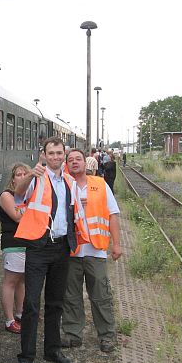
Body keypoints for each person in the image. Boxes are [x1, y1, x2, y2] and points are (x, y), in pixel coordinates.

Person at [10, 136, 78, 363]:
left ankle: (52, 349)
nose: (56, 157)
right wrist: (30, 174)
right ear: (44, 155)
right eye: (51, 153)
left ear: (64, 154)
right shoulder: (37, 177)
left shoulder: (70, 181)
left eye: (59, 153)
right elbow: (18, 195)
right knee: (30, 304)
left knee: (55, 302)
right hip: (39, 248)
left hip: (61, 248)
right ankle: (26, 357)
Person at [61, 149, 122, 352]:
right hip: (72, 250)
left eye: (78, 159)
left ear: (86, 163)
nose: (75, 162)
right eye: (71, 160)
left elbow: (113, 215)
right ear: (66, 165)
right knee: (71, 295)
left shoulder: (100, 184)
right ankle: (72, 334)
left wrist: (117, 244)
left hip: (95, 250)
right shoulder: (63, 186)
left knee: (100, 295)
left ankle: (107, 336)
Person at [0, 163, 30, 334]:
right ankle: (9, 320)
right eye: (19, 174)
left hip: (27, 243)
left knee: (22, 280)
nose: (22, 176)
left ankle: (20, 313)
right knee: (11, 281)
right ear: (12, 179)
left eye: (26, 173)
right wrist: (34, 207)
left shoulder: (27, 196)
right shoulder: (7, 195)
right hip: (13, 243)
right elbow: (17, 217)